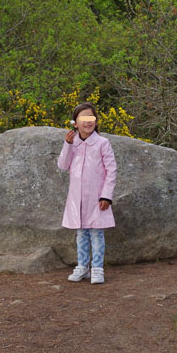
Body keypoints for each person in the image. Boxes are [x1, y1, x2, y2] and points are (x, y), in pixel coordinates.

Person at [57, 102, 117, 284]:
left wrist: (107, 195)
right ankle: (82, 266)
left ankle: (97, 268)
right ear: (75, 123)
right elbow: (62, 165)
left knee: (97, 232)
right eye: (83, 118)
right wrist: (67, 145)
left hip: (97, 198)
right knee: (82, 232)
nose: (87, 122)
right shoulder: (72, 143)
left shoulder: (102, 143)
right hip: (78, 199)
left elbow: (111, 170)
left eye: (91, 118)